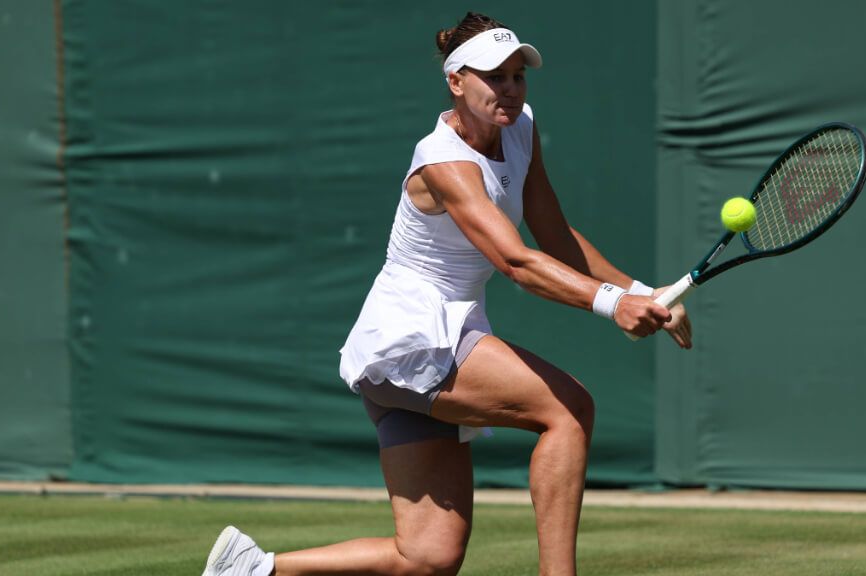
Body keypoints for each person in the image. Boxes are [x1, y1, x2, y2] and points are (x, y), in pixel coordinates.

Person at [201, 11, 692, 576]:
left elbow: (552, 235)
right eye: (493, 77)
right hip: (414, 338)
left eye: (517, 76)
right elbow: (515, 261)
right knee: (569, 409)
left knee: (429, 557)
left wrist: (642, 292)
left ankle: (251, 569)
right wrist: (611, 305)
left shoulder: (521, 127)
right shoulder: (443, 162)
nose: (509, 89)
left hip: (430, 345)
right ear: (456, 82)